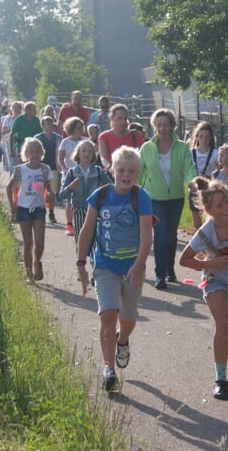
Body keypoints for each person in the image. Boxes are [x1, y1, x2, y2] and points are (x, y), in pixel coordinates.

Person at [76, 146, 154, 392]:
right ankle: (108, 369)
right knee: (108, 314)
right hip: (105, 265)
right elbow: (87, 230)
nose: (126, 175)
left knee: (128, 319)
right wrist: (81, 263)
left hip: (132, 266)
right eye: (121, 170)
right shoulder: (100, 195)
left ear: (138, 173)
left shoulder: (141, 197)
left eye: (132, 171)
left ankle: (123, 339)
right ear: (112, 170)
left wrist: (139, 266)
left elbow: (146, 235)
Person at [179, 177, 228, 400]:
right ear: (208, 210)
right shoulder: (205, 233)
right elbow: (184, 260)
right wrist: (209, 264)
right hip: (216, 280)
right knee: (223, 324)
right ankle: (221, 380)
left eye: (227, 201)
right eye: (219, 205)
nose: (226, 208)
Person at [138, 108, 197, 290]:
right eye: (158, 125)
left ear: (172, 126)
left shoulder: (181, 147)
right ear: (154, 126)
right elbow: (140, 171)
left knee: (171, 234)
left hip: (175, 198)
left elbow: (189, 169)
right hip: (154, 197)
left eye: (166, 125)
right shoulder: (147, 148)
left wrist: (192, 183)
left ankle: (170, 268)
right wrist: (133, 190)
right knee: (161, 233)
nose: (162, 128)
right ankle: (160, 274)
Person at [6, 137, 54, 283]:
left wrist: (50, 195)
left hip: (39, 208)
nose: (34, 154)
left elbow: (47, 187)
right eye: (31, 151)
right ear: (26, 153)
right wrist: (12, 205)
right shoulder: (20, 170)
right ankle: (28, 274)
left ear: (41, 153)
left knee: (39, 242)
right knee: (28, 243)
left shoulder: (45, 169)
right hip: (23, 208)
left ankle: (37, 261)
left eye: (37, 151)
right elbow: (9, 187)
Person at [59, 140, 112, 251]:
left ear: (94, 155)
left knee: (95, 240)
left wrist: (103, 192)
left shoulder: (98, 171)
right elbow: (62, 195)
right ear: (78, 154)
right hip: (79, 209)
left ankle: (95, 264)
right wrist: (71, 187)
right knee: (80, 240)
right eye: (83, 151)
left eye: (90, 151)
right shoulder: (72, 172)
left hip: (95, 209)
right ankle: (81, 264)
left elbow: (111, 186)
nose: (87, 154)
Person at [58, 117, 89, 236]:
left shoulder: (86, 141)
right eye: (78, 128)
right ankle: (70, 224)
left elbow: (92, 156)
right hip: (70, 174)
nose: (81, 130)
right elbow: (60, 159)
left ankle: (83, 222)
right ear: (71, 128)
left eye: (82, 128)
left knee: (85, 199)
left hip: (84, 174)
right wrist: (65, 170)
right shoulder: (65, 142)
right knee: (70, 200)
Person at [188, 121, 219, 230]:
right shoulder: (190, 153)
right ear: (197, 137)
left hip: (209, 188)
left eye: (207, 137)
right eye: (201, 136)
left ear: (211, 138)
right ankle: (200, 239)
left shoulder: (216, 153)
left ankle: (211, 236)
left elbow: (219, 171)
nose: (204, 140)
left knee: (210, 214)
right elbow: (186, 170)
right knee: (196, 215)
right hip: (194, 188)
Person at [98, 104, 147, 170]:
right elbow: (103, 158)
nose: (123, 121)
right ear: (112, 118)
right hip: (112, 174)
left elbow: (144, 155)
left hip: (132, 174)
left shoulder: (135, 135)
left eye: (125, 118)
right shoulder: (104, 137)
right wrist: (110, 167)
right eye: (119, 118)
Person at [36, 116, 63, 224]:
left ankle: (51, 212)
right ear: (42, 126)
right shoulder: (38, 138)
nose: (49, 126)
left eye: (51, 124)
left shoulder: (58, 138)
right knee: (39, 191)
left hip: (53, 168)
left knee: (52, 192)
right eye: (47, 124)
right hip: (40, 169)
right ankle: (39, 211)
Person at [9, 102, 42, 172]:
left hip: (34, 147)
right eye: (33, 109)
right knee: (24, 165)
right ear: (27, 110)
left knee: (33, 165)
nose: (36, 111)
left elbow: (40, 133)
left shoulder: (36, 120)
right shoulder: (19, 119)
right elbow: (12, 134)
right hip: (21, 146)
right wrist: (11, 149)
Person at [0, 101, 22, 172]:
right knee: (12, 165)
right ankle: (13, 181)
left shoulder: (23, 119)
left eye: (19, 108)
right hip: (9, 144)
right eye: (15, 107)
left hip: (21, 143)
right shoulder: (8, 119)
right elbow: (2, 131)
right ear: (11, 109)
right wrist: (13, 128)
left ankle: (20, 182)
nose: (17, 109)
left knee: (20, 164)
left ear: (21, 109)